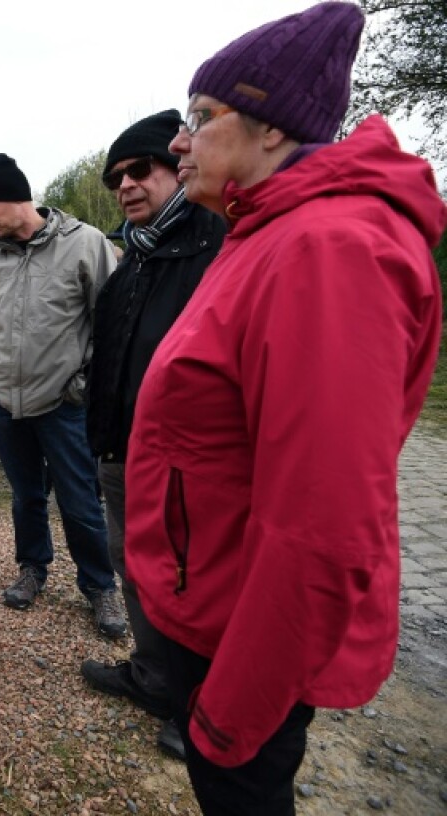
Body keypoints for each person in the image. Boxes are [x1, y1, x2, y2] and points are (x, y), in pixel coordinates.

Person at [125, 5, 444, 813]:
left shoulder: (327, 250)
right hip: (217, 599)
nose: (179, 140)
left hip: (243, 634)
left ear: (272, 129)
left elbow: (322, 523)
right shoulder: (267, 230)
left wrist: (235, 712)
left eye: (202, 118)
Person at [80, 109, 228, 762]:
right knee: (133, 567)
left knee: (193, 582)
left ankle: (201, 709)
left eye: (141, 170)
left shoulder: (217, 244)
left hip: (186, 465)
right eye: (117, 178)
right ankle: (153, 674)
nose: (127, 186)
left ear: (176, 166)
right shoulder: (133, 258)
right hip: (124, 451)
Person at [0, 153, 124, 638]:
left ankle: (99, 586)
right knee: (26, 495)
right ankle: (32, 569)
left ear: (17, 200)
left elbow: (110, 327)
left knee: (79, 499)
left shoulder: (85, 245)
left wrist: (80, 388)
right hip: (3, 407)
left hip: (64, 407)